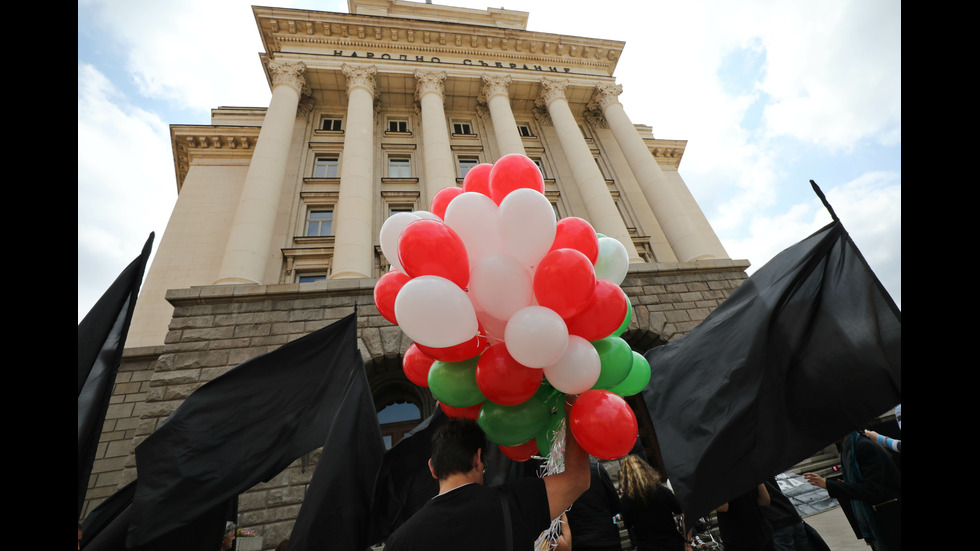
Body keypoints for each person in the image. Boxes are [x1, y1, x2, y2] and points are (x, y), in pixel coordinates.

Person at [384, 412, 590, 551]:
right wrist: (572, 407)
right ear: (477, 459)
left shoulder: (399, 541)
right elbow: (579, 479)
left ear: (433, 468)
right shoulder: (513, 502)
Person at [804, 431, 900, 551]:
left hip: (890, 520)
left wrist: (829, 485)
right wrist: (845, 485)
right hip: (878, 521)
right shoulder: (849, 449)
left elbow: (872, 489)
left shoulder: (864, 447)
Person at [617, 454, 688, 551]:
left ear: (624, 476)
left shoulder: (626, 500)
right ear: (646, 469)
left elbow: (628, 524)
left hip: (647, 546)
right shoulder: (662, 491)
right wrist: (687, 543)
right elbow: (685, 515)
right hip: (672, 544)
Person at [565, 461, 622, 551]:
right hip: (607, 539)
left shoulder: (557, 477)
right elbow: (615, 505)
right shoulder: (597, 468)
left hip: (578, 542)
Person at [716, 484, 774, 551]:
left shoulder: (719, 480)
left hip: (739, 537)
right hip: (762, 531)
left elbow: (723, 507)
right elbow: (765, 500)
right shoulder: (748, 475)